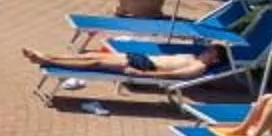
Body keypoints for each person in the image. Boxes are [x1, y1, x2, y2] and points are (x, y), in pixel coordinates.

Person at [20, 40, 233, 79]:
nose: (206, 50)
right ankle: (47, 55)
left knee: (94, 64)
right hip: (142, 57)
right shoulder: (193, 56)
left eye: (211, 51)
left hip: (144, 65)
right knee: (90, 55)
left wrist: (141, 74)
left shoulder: (198, 67)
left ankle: (47, 62)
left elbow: (172, 75)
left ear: (214, 60)